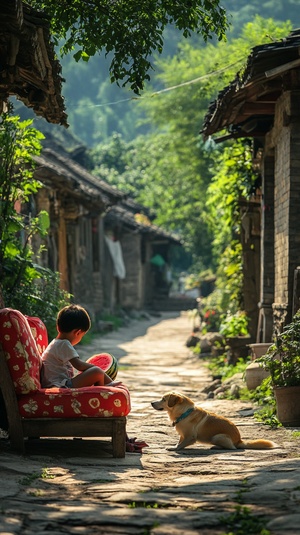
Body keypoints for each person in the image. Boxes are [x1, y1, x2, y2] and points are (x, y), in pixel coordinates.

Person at [41, 304, 121, 389]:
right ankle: (105, 387)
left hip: (57, 384)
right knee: (96, 371)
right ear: (77, 333)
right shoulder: (64, 344)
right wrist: (96, 368)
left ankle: (104, 386)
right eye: (82, 335)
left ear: (58, 327)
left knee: (96, 372)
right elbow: (79, 366)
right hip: (60, 386)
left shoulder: (55, 343)